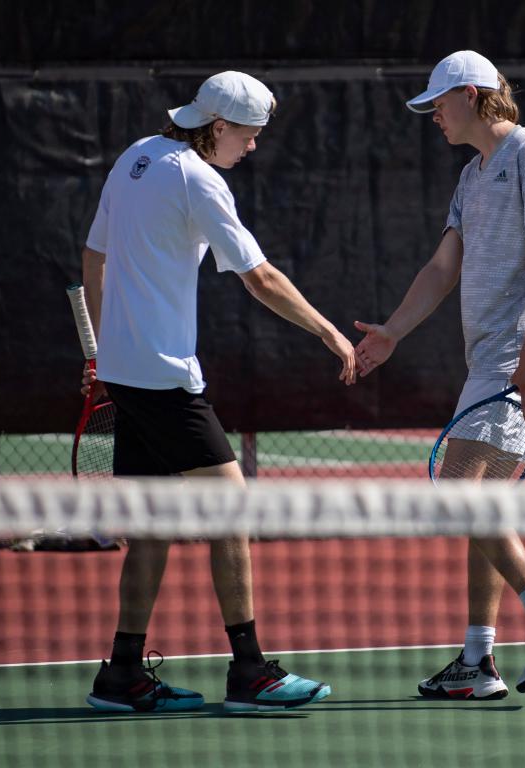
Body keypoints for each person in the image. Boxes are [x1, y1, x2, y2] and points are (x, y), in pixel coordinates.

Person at [80, 71, 356, 713]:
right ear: (219, 127)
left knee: (154, 526)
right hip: (166, 377)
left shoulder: (134, 158)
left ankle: (121, 674)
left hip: (126, 370)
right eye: (250, 136)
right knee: (231, 509)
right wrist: (328, 334)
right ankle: (251, 671)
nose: (253, 148)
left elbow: (93, 256)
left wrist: (101, 349)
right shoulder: (199, 178)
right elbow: (258, 277)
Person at [354, 51, 525, 700]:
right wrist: (392, 333)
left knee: (459, 488)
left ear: (471, 94)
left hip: (521, 361)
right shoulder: (471, 174)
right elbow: (441, 267)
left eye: (439, 102)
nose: (433, 115)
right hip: (492, 358)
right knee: (480, 503)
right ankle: (476, 660)